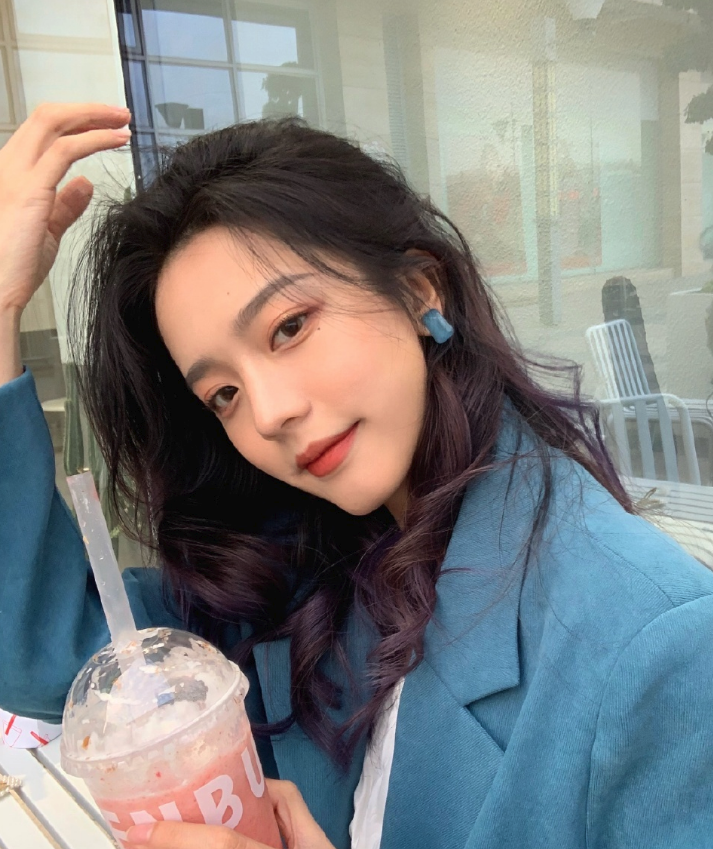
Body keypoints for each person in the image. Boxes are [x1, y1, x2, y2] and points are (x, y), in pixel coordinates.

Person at [2, 103, 713, 849]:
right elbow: (48, 647)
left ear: (419, 289)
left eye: (289, 326)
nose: (269, 413)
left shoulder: (656, 645)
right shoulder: (313, 570)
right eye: (224, 394)